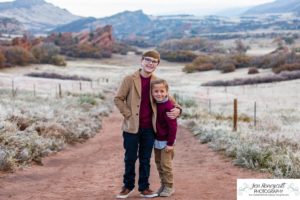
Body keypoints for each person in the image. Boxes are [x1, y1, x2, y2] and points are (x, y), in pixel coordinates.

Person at [114, 50, 181, 198]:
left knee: (145, 159)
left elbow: (169, 100)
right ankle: (128, 186)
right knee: (130, 157)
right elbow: (118, 98)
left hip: (150, 128)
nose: (150, 63)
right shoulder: (129, 79)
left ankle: (144, 188)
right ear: (142, 61)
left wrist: (178, 109)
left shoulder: (156, 81)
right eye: (148, 60)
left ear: (157, 64)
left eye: (154, 61)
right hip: (131, 127)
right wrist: (128, 114)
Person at [151, 79, 177, 197]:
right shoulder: (155, 104)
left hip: (167, 142)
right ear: (152, 92)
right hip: (156, 141)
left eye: (162, 91)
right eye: (156, 91)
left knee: (166, 165)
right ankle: (163, 184)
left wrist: (170, 144)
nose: (159, 94)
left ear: (167, 92)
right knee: (158, 163)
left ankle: (170, 186)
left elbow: (173, 127)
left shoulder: (169, 106)